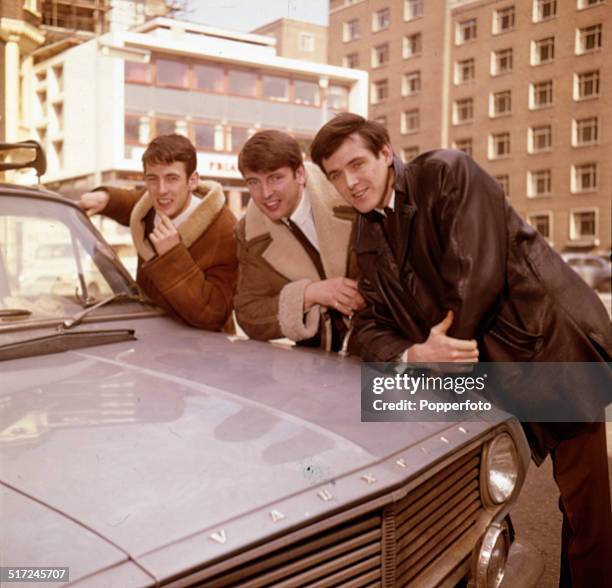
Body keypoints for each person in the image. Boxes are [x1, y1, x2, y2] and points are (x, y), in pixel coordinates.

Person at [310, 113, 612, 587]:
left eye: (357, 164)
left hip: (549, 351)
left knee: (585, 511)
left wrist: (437, 351)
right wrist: (414, 354)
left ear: (386, 152)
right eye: (335, 175)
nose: (350, 182)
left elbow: (477, 278)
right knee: (487, 505)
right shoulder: (367, 233)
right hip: (480, 375)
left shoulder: (447, 172)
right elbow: (365, 327)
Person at [78, 133, 237, 332]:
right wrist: (107, 199)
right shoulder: (150, 208)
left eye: (172, 179)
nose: (161, 190)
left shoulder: (224, 227)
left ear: (192, 181)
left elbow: (215, 315)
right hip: (149, 337)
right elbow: (134, 203)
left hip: (204, 351)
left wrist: (172, 257)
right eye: (152, 179)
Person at [234, 129, 364, 351]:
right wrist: (308, 294)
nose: (265, 193)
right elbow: (249, 315)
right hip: (316, 365)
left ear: (300, 174)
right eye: (254, 182)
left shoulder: (350, 196)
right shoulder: (251, 233)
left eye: (276, 178)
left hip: (384, 354)